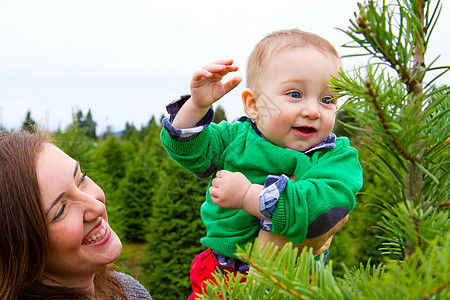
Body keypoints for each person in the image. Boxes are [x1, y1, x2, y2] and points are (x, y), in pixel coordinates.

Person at [160, 29, 363, 299]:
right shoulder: (236, 139)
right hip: (220, 272)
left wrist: (249, 196)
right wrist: (196, 107)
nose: (313, 110)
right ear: (254, 105)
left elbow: (323, 208)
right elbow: (189, 151)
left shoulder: (333, 156)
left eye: (328, 100)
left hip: (293, 278)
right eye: (295, 94)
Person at [0, 130, 152, 300]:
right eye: (61, 210)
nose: (97, 206)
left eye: (81, 179)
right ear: (22, 251)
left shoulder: (126, 288)